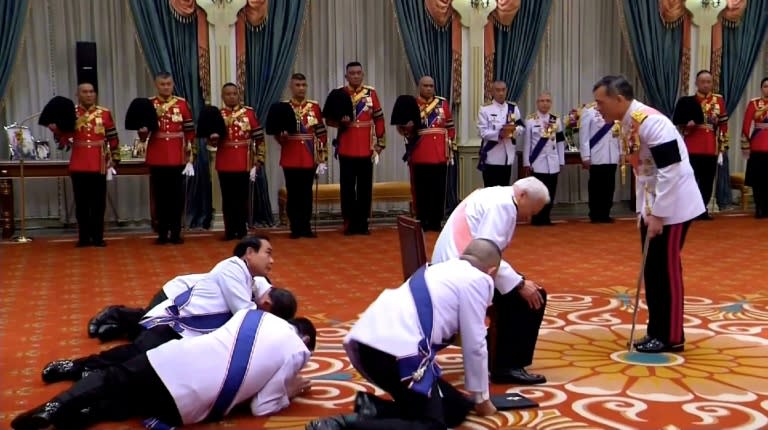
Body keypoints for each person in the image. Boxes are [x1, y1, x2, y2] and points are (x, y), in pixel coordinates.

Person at [41, 237, 297, 382]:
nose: (272, 260)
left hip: (188, 332)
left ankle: (89, 370)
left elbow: (264, 287)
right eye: (268, 254)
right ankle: (73, 366)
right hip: (177, 317)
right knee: (136, 349)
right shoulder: (233, 268)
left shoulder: (252, 280)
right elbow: (245, 313)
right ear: (249, 253)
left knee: (138, 364)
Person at [307, 239, 503, 430]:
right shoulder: (479, 279)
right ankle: (340, 425)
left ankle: (375, 409)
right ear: (492, 271)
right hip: (399, 356)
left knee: (456, 407)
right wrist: (481, 399)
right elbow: (475, 344)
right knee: (432, 425)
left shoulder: (439, 268)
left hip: (369, 346)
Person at [11, 310, 316, 430]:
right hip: (192, 402)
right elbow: (263, 405)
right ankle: (69, 421)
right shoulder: (298, 350)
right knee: (126, 405)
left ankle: (53, 408)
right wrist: (290, 390)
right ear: (305, 339)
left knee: (112, 379)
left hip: (172, 360)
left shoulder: (253, 314)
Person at [593, 75, 704, 353]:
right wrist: (644, 212)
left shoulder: (652, 122)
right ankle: (657, 330)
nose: (598, 108)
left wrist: (659, 215)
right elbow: (644, 172)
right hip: (656, 205)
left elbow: (671, 170)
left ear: (619, 99)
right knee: (653, 270)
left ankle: (671, 335)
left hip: (674, 207)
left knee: (666, 270)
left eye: (600, 102)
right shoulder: (629, 122)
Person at [432, 177, 550, 384]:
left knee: (517, 290)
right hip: (460, 272)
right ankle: (507, 366)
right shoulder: (503, 206)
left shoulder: (497, 195)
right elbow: (487, 255)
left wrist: (516, 281)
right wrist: (521, 284)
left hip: (454, 264)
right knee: (532, 297)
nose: (530, 218)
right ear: (522, 196)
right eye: (531, 211)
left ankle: (493, 352)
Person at [86, 274, 275, 342]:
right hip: (176, 294)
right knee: (150, 324)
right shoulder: (253, 282)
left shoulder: (256, 294)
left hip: (190, 310)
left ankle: (118, 330)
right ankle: (114, 313)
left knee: (156, 338)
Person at [50, 82, 120, 247]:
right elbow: (63, 142)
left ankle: (97, 237)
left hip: (99, 163)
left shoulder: (105, 113)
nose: (89, 95)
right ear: (78, 94)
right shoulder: (71, 113)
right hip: (79, 163)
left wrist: (115, 158)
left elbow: (113, 137)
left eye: (91, 92)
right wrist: (57, 131)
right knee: (81, 204)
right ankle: (83, 238)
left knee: (98, 203)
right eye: (85, 92)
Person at [326, 62, 386, 235]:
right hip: (346, 148)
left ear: (363, 74)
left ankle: (363, 223)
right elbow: (329, 120)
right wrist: (341, 122)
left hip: (366, 148)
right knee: (347, 189)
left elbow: (379, 119)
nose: (355, 76)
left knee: (365, 188)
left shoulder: (371, 93)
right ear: (346, 76)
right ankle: (349, 223)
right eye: (352, 73)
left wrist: (380, 143)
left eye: (358, 73)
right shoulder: (340, 94)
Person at [139, 72, 197, 244]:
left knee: (177, 198)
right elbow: (143, 134)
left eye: (169, 84)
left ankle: (176, 233)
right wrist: (142, 134)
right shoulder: (149, 104)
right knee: (160, 197)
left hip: (177, 156)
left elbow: (190, 131)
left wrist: (191, 154)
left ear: (172, 85)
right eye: (162, 84)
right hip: (157, 155)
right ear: (157, 85)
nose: (166, 87)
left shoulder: (182, 104)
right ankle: (162, 233)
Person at [208, 83, 266, 240]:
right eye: (228, 94)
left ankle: (242, 229)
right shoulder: (218, 115)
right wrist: (213, 140)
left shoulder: (249, 113)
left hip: (244, 160)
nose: (231, 96)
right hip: (225, 161)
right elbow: (210, 142)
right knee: (227, 198)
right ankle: (230, 230)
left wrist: (259, 159)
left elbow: (259, 138)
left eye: (234, 93)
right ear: (222, 97)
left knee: (242, 198)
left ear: (239, 95)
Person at [279, 73, 328, 239]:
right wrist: (282, 136)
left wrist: (322, 157)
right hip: (291, 155)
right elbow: (277, 133)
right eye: (297, 85)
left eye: (303, 85)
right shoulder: (284, 107)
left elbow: (321, 132)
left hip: (308, 156)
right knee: (293, 193)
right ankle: (295, 227)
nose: (301, 88)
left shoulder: (314, 107)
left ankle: (306, 226)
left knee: (307, 193)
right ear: (291, 87)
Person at [408, 76, 456, 232]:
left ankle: (436, 221)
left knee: (438, 189)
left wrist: (449, 146)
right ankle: (422, 220)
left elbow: (450, 126)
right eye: (425, 86)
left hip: (439, 153)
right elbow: (405, 129)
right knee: (422, 190)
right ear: (419, 87)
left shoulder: (442, 103)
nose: (429, 88)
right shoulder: (413, 104)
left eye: (431, 86)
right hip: (421, 152)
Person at [679, 70, 729, 220]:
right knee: (691, 180)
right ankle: (689, 210)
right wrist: (688, 125)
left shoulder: (718, 100)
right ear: (696, 83)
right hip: (692, 144)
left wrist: (723, 145)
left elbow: (723, 124)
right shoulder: (689, 101)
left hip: (710, 146)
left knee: (707, 181)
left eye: (709, 82)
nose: (706, 85)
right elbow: (680, 126)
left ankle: (702, 209)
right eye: (703, 81)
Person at [522, 92, 565, 226]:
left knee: (551, 191)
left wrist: (561, 161)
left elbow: (560, 142)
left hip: (552, 162)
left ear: (551, 103)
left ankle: (546, 217)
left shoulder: (556, 120)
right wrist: (526, 162)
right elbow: (527, 143)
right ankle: (537, 218)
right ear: (537, 103)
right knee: (538, 193)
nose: (545, 103)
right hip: (538, 162)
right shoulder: (530, 120)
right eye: (542, 101)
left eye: (547, 101)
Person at [477, 80, 525, 187]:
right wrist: (499, 134)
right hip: (491, 157)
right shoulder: (485, 109)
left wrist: (513, 132)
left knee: (504, 191)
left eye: (503, 90)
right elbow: (482, 132)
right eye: (498, 90)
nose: (501, 93)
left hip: (507, 157)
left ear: (506, 91)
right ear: (492, 92)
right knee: (490, 192)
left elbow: (521, 127)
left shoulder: (513, 108)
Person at [579, 102, 621, 223]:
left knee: (609, 185)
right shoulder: (590, 111)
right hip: (597, 154)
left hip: (612, 154)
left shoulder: (615, 111)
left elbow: (620, 133)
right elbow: (584, 136)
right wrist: (585, 155)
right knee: (596, 186)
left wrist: (622, 152)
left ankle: (606, 212)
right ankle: (595, 213)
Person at [742, 77, 768, 219]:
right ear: (761, 88)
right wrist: (746, 145)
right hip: (758, 145)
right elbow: (746, 125)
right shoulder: (754, 103)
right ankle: (759, 207)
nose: (767, 89)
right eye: (765, 86)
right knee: (758, 180)